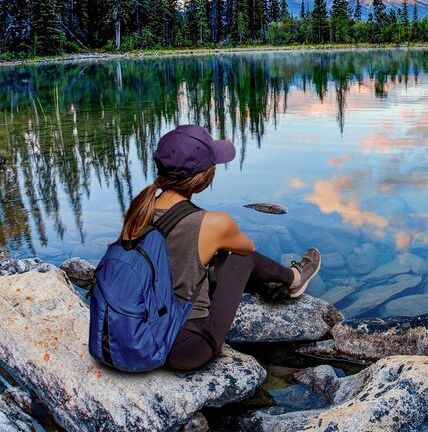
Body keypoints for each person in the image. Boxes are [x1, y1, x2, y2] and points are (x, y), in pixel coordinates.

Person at [119, 124, 320, 371]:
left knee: (202, 256)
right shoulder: (211, 223)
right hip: (185, 348)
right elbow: (247, 248)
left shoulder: (139, 210)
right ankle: (295, 278)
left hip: (132, 335)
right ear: (203, 178)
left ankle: (277, 283)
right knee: (239, 258)